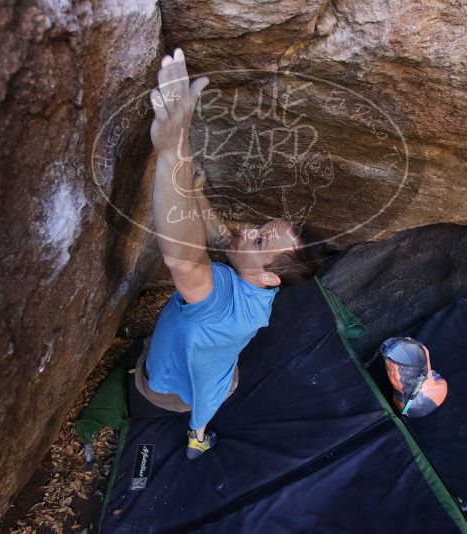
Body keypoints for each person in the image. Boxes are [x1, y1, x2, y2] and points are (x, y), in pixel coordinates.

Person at [138, 47, 325, 459]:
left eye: (259, 240)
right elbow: (223, 237)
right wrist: (193, 189)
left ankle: (196, 436)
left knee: (203, 391)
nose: (249, 231)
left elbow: (184, 260)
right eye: (262, 229)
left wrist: (173, 152)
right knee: (219, 373)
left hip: (165, 389)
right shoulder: (259, 280)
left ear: (269, 277)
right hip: (211, 359)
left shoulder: (223, 304)